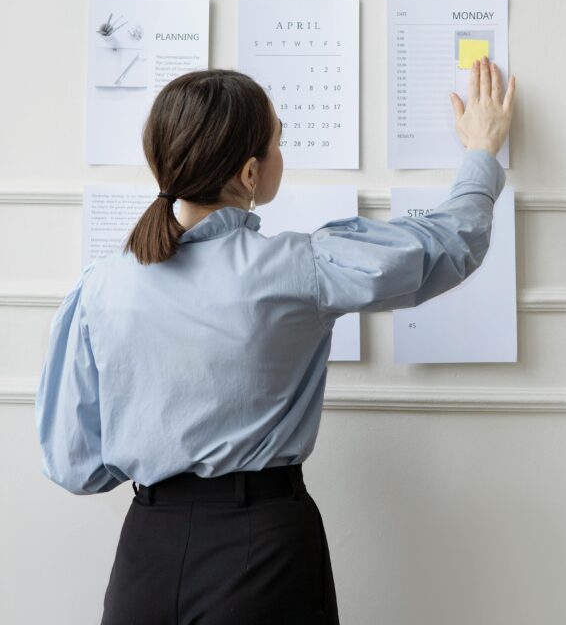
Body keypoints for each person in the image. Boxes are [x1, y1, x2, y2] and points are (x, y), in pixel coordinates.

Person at [35, 55, 515, 625]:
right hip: (259, 552)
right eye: (278, 142)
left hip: (147, 554)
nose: (281, 154)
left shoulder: (99, 285)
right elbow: (447, 245)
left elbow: (75, 466)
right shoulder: (298, 267)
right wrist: (481, 153)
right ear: (248, 174)